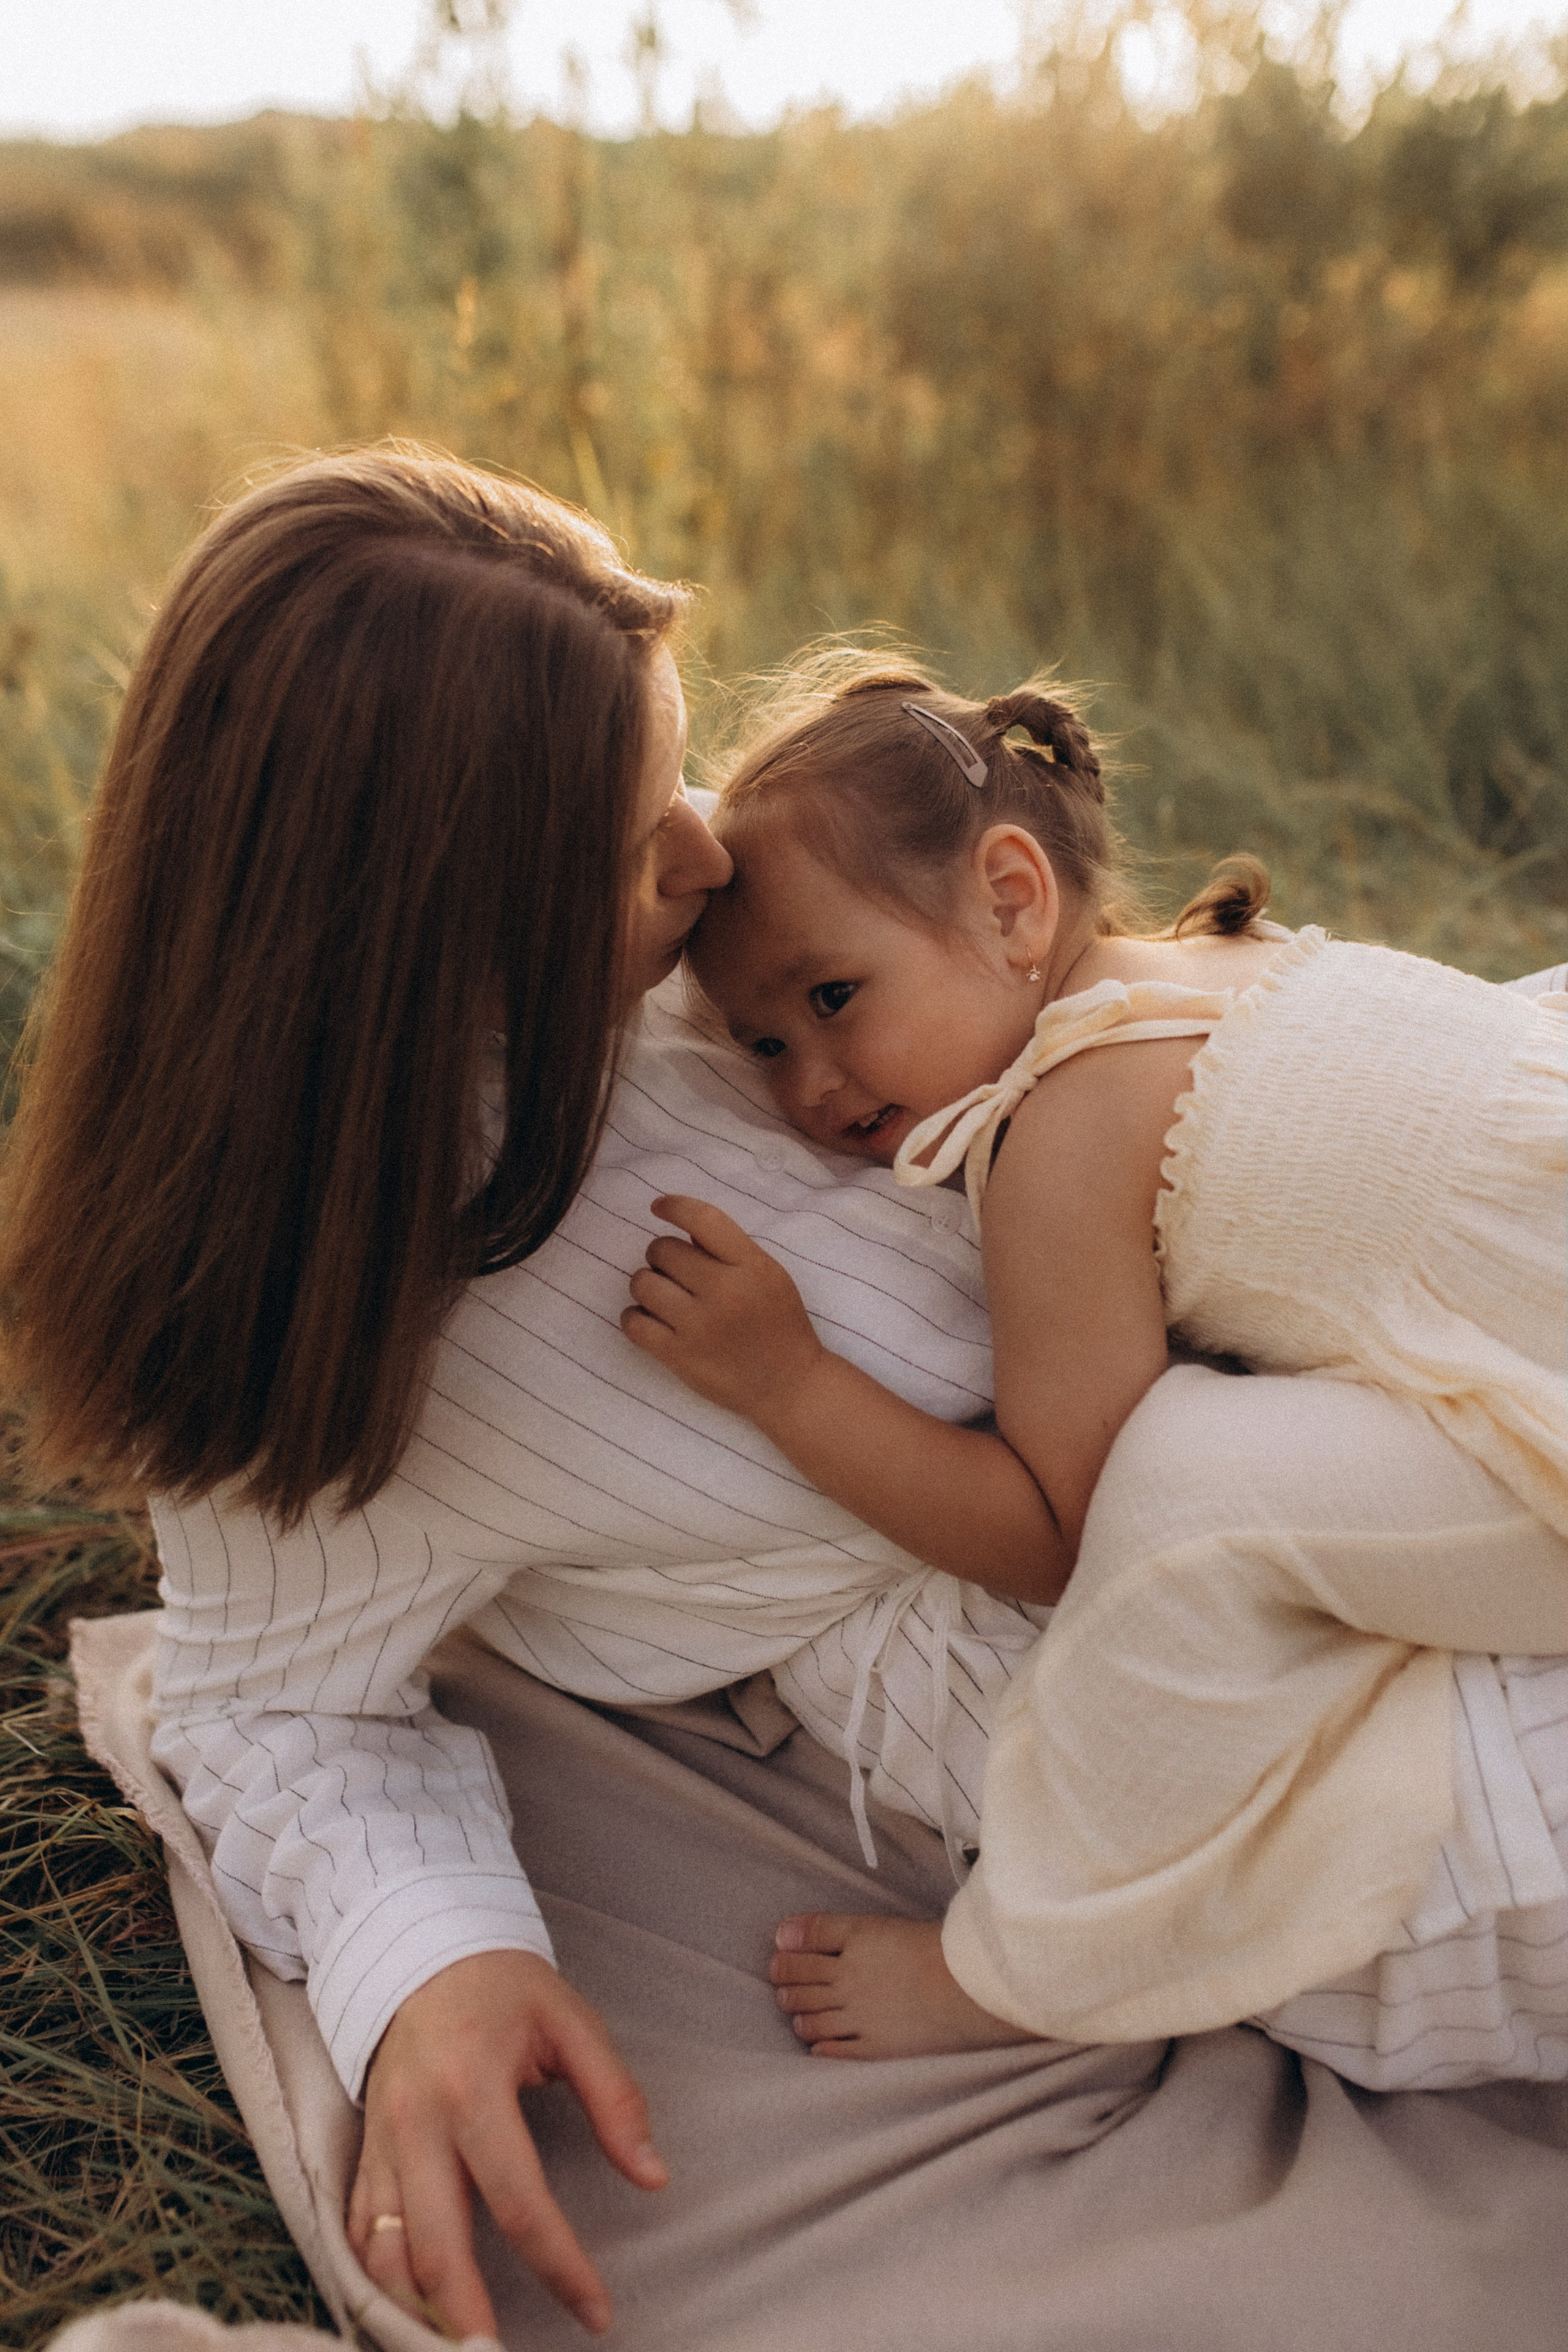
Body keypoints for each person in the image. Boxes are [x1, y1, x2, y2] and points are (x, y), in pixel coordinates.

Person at [622, 651, 1568, 2074]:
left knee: (1186, 1489)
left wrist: (791, 1385)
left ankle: (1028, 1966)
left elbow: (1061, 1534)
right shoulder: (1216, 965)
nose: (803, 1089)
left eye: (830, 999)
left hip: (1536, 1430)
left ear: (1011, 901)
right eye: (758, 1044)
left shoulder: (1063, 1133)